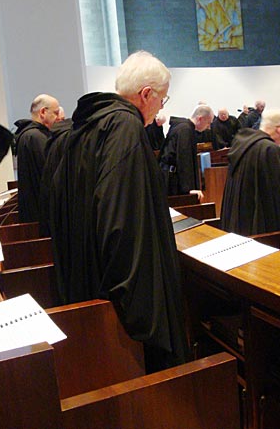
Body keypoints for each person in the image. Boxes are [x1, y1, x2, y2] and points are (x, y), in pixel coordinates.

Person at [49, 51, 189, 373]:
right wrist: (141, 313)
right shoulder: (125, 127)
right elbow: (122, 224)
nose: (160, 108)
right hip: (118, 312)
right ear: (146, 95)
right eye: (163, 99)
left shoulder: (86, 127)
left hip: (88, 285)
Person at [221, 109, 280, 236]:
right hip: (260, 228)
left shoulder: (243, 143)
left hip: (239, 219)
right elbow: (277, 195)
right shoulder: (269, 149)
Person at [15, 94, 60, 222]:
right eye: (55, 113)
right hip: (41, 213)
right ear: (43, 112)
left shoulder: (29, 134)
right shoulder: (36, 137)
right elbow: (50, 174)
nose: (58, 118)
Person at [158, 105, 213, 199]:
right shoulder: (185, 130)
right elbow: (184, 159)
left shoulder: (183, 127)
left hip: (168, 176)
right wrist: (188, 189)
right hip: (172, 181)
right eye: (208, 123)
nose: (208, 127)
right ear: (200, 118)